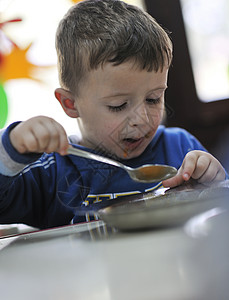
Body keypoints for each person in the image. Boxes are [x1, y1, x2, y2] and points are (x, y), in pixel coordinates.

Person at [0, 0, 226, 229]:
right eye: (119, 105)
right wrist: (12, 146)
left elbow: (217, 218)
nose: (142, 120)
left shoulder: (181, 149)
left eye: (153, 99)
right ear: (70, 103)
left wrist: (213, 184)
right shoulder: (51, 170)